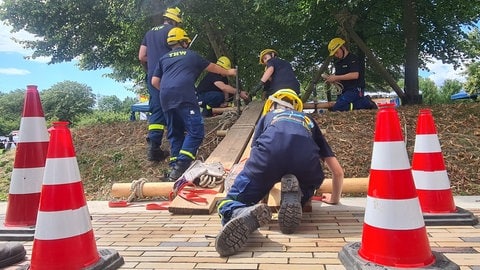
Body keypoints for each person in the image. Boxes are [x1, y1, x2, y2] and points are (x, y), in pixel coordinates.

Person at [214, 89, 344, 257]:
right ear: (297, 108)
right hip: (306, 163)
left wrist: (259, 185)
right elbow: (338, 172)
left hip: (267, 157)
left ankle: (240, 211)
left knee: (228, 202)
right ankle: (297, 195)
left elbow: (255, 153)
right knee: (305, 186)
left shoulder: (267, 118)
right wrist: (334, 199)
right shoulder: (308, 120)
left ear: (271, 106)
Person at [151, 27, 237, 181]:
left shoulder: (163, 59)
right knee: (196, 132)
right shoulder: (191, 55)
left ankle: (173, 169)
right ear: (184, 42)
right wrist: (230, 72)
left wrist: (168, 91)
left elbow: (154, 81)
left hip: (165, 98)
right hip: (185, 96)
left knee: (175, 133)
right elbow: (213, 67)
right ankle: (181, 167)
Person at [138, 7, 182, 162]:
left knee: (157, 108)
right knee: (174, 107)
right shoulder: (173, 31)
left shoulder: (149, 33)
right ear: (175, 20)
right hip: (170, 74)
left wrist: (155, 63)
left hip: (152, 76)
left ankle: (154, 147)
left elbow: (142, 56)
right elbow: (180, 53)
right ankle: (178, 147)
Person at [324, 37, 377, 111]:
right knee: (338, 107)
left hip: (355, 89)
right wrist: (333, 80)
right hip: (344, 90)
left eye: (336, 52)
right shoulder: (338, 63)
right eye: (334, 53)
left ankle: (366, 102)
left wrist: (336, 77)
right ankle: (363, 102)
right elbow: (340, 78)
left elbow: (355, 75)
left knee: (338, 107)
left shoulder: (353, 59)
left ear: (342, 47)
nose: (336, 55)